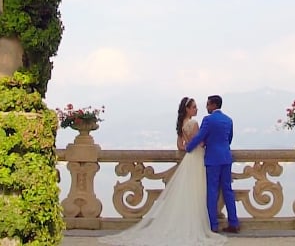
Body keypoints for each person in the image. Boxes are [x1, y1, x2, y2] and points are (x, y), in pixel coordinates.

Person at [99, 97, 227, 246]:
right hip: (198, 158)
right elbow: (201, 141)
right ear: (187, 109)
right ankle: (200, 223)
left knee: (190, 191)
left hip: (189, 158)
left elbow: (180, 145)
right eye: (194, 107)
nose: (197, 109)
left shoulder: (182, 124)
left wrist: (188, 148)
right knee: (199, 190)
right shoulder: (194, 123)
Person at [185, 95, 240, 233]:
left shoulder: (208, 120)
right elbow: (229, 139)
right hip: (226, 158)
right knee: (227, 190)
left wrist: (188, 148)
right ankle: (234, 223)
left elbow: (199, 136)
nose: (206, 107)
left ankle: (213, 225)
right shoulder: (229, 120)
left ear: (214, 105)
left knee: (212, 190)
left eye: (208, 104)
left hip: (213, 159)